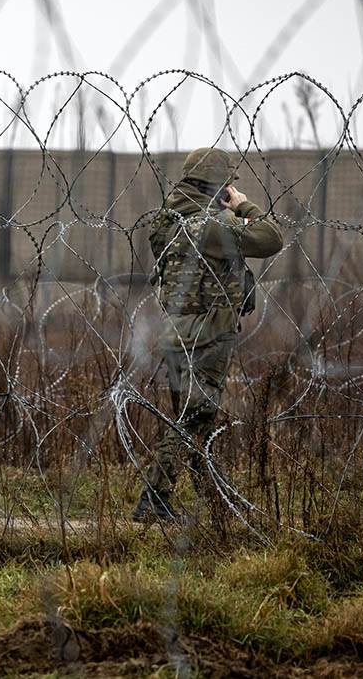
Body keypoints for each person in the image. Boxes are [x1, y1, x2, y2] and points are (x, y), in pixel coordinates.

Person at [135, 146, 284, 522]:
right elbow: (270, 239)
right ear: (217, 185)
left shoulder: (165, 222)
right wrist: (244, 206)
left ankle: (212, 495)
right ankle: (154, 499)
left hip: (174, 332)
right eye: (228, 182)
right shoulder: (210, 226)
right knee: (196, 417)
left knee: (196, 417)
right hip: (207, 333)